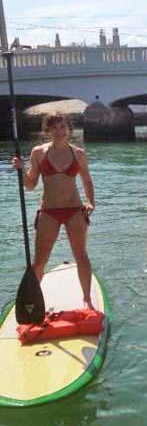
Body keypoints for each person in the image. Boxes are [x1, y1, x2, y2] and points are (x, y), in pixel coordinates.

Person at [11, 113, 95, 308]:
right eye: (55, 128)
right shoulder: (39, 153)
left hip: (75, 211)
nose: (59, 131)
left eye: (63, 127)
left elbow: (87, 181)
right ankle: (31, 302)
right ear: (48, 130)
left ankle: (87, 300)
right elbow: (31, 184)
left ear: (69, 129)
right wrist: (21, 170)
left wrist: (90, 202)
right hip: (49, 212)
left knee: (81, 255)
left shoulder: (79, 154)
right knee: (39, 261)